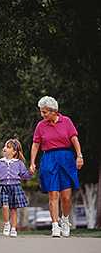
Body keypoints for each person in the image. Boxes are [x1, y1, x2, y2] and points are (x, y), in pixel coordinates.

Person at [30, 96, 84, 237]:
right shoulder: (41, 126)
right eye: (41, 112)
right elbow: (36, 144)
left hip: (66, 158)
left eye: (45, 112)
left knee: (66, 197)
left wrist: (79, 156)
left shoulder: (66, 121)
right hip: (49, 159)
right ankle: (55, 225)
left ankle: (65, 220)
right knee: (53, 194)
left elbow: (74, 139)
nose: (42, 115)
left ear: (54, 111)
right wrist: (32, 162)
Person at [0, 138, 32, 237]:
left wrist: (30, 172)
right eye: (5, 146)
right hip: (3, 187)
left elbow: (24, 175)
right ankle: (6, 224)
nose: (4, 148)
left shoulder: (19, 163)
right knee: (5, 206)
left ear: (14, 152)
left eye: (8, 147)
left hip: (15, 187)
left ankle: (13, 228)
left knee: (13, 209)